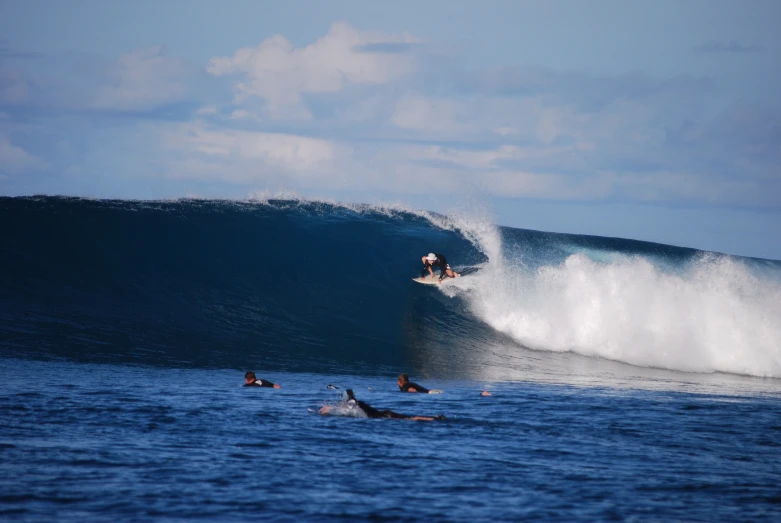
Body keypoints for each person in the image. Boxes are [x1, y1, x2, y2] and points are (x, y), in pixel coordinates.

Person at [319, 389, 445, 421]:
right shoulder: (359, 402)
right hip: (384, 413)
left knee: (411, 419)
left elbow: (349, 408)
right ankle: (433, 418)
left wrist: (330, 409)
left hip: (384, 416)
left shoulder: (352, 402)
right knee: (409, 418)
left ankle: (433, 419)